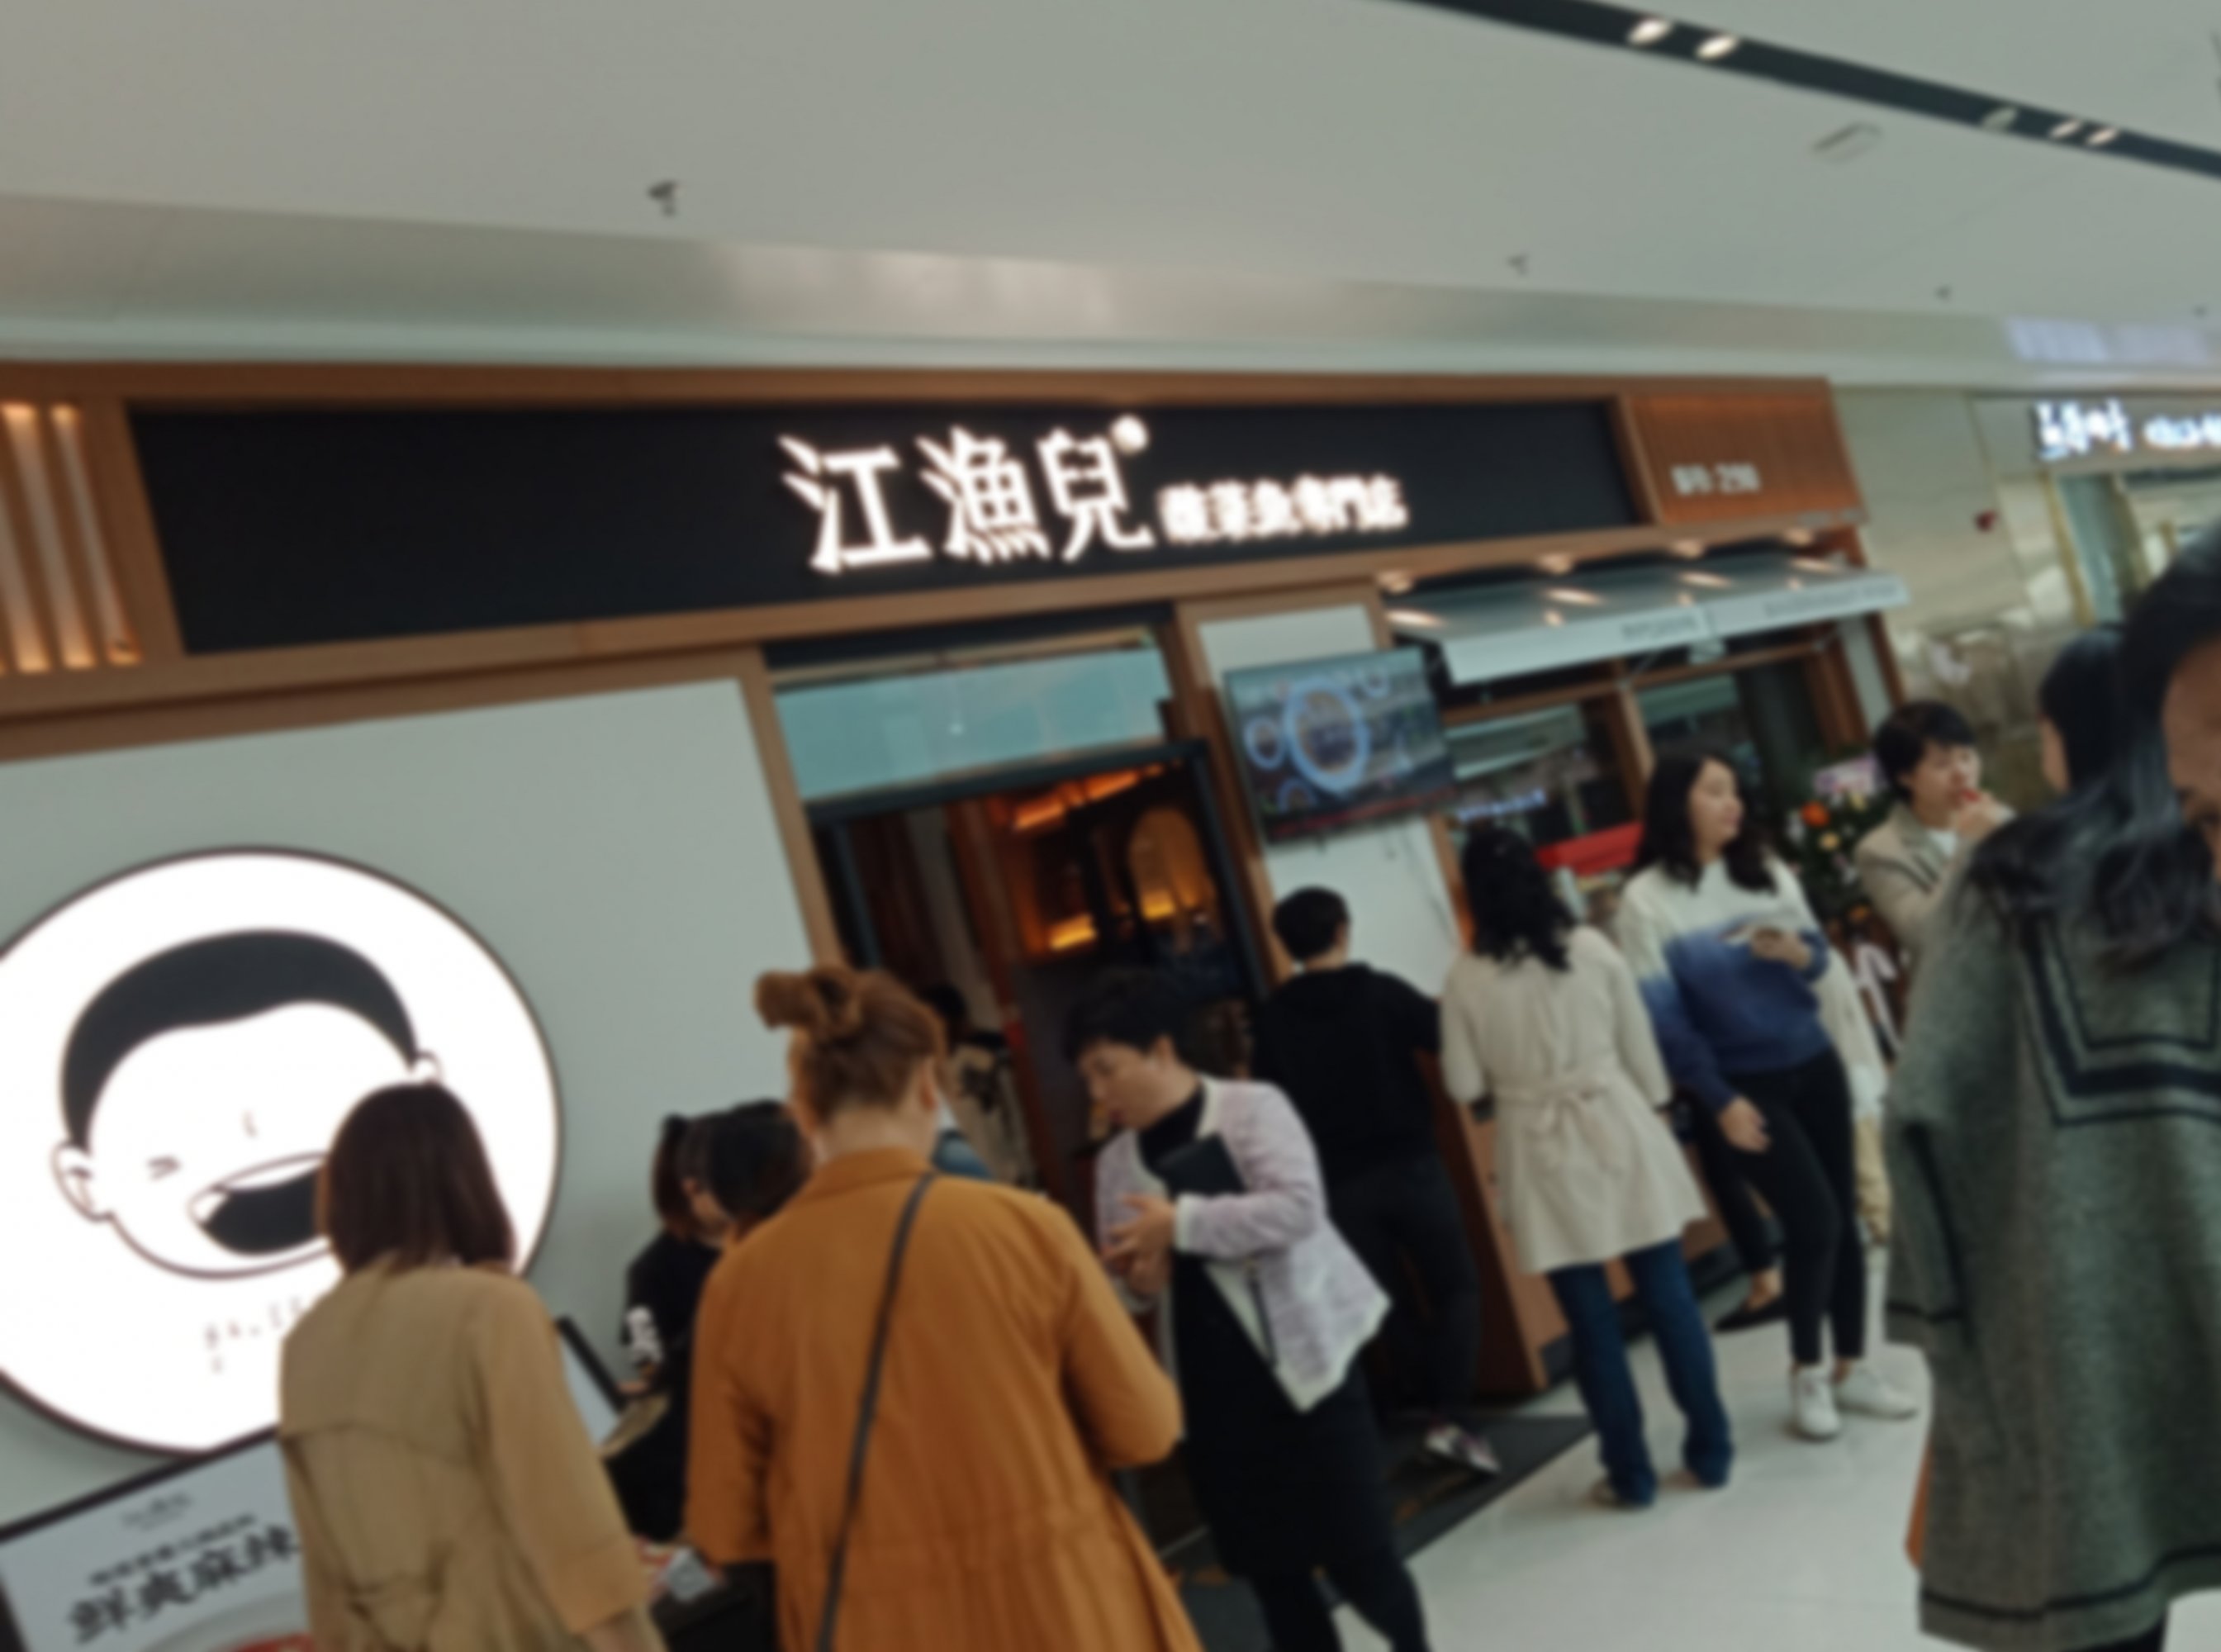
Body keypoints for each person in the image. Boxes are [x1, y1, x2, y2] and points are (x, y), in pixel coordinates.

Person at [1889, 546, 2221, 1652]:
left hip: (2073, 1334)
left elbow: (1923, 1116)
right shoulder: (2161, 867)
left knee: (2095, 1577)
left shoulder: (2005, 878)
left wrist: (1955, 1337)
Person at [687, 966, 1198, 1652]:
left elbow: (726, 1523)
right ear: (929, 1087)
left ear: (803, 1113)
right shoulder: (1024, 1230)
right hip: (1063, 1606)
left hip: (875, 1626)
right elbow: (1144, 1429)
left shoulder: (739, 1284)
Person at [1076, 970, 1431, 1652]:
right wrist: (1140, 1284)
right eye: (1087, 1078)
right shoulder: (1116, 1163)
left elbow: (1297, 1208)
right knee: (1273, 1577)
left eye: (1106, 1069)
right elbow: (1124, 1283)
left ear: (1160, 1049)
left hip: (1309, 1373)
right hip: (1214, 1394)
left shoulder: (1251, 1108)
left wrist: (1181, 1224)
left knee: (1363, 1560)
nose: (1097, 1094)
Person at [281, 1085, 662, 1652]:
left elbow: (326, 1572)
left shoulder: (307, 1345)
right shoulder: (488, 1309)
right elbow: (564, 1515)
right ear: (463, 1180)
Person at [1619, 749, 1918, 1441]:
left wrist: (1796, 954)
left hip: (1812, 1060)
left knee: (1842, 1220)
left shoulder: (1765, 868)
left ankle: (1850, 1364)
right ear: (1676, 804)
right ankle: (1805, 1368)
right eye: (1713, 792)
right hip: (1741, 1086)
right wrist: (1718, 1099)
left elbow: (1818, 959)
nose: (1732, 803)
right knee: (1813, 1223)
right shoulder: (1645, 900)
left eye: (1733, 790)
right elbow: (1665, 1020)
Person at [1440, 829, 1731, 1510]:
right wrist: (1652, 1105)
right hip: (1616, 1120)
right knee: (1670, 1299)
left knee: (1590, 1322)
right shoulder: (1592, 948)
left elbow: (1461, 1084)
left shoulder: (1464, 978)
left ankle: (1629, 1476)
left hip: (1537, 1145)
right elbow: (1641, 1052)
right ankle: (1710, 1452)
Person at [1250, 887, 1496, 1477]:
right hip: (1412, 1165)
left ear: (1286, 946)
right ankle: (1452, 1417)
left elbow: (1268, 1103)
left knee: (1387, 1305)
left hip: (1338, 1183)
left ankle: (1430, 1412)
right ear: (1342, 930)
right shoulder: (1380, 992)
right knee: (1456, 1288)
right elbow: (1447, 1037)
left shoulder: (1273, 1019)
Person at [610, 1113, 734, 1540]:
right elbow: (650, 1368)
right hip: (693, 1456)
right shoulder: (649, 1273)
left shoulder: (761, 1253)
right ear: (688, 1188)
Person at [1855, 700, 2015, 976]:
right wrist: (1967, 844)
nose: (1962, 773)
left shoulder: (2000, 816)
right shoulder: (1880, 852)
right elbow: (1922, 935)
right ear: (1905, 777)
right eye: (1942, 764)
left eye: (1966, 756)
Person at [919, 984, 1037, 1187]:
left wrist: (1027, 1169)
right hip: (957, 1186)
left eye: (936, 1019)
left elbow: (1015, 1118)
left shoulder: (981, 1063)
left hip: (1004, 1175)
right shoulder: (922, 1078)